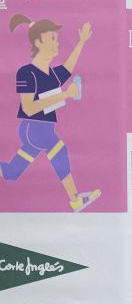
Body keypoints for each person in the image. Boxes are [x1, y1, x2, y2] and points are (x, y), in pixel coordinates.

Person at [2, 15, 99, 211]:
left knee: (12, 172)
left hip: (41, 128)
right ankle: (75, 199)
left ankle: (75, 199)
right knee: (60, 152)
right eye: (52, 39)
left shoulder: (51, 73)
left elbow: (68, 68)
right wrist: (65, 94)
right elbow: (29, 108)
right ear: (38, 42)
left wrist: (81, 41)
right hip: (34, 128)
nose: (57, 43)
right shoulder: (26, 72)